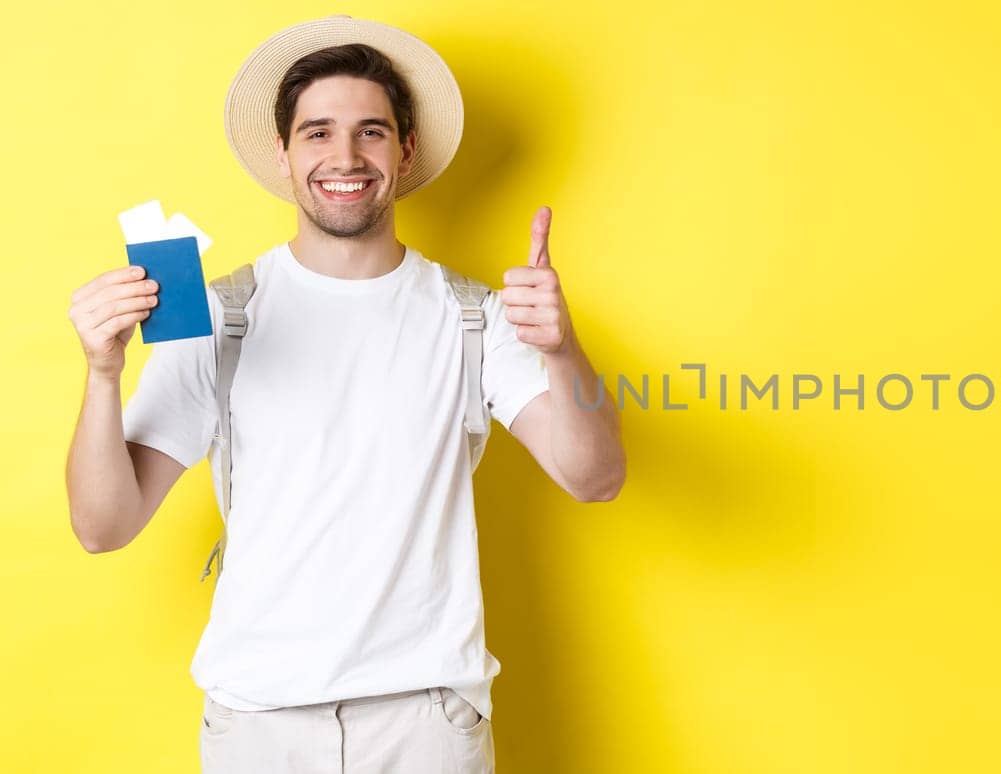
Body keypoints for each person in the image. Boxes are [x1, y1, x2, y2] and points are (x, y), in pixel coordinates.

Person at [63, 15, 625, 773]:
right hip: (258, 723)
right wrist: (102, 374)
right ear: (285, 156)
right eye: (318, 133)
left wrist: (562, 351)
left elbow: (595, 478)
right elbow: (104, 525)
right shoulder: (219, 315)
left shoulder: (475, 317)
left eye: (371, 131)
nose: (346, 156)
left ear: (405, 150)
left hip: (427, 723)